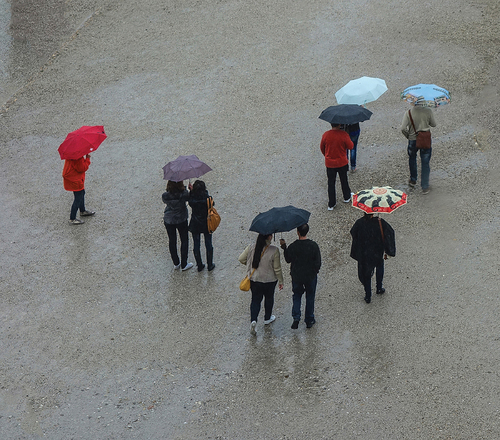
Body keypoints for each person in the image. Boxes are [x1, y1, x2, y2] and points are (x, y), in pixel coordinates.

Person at [239, 234, 284, 335]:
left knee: (255, 300)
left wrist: (250, 265)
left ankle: (253, 320)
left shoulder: (251, 247)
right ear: (269, 237)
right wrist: (281, 281)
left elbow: (241, 259)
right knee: (269, 298)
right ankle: (267, 318)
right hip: (270, 280)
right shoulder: (274, 250)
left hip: (255, 279)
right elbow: (277, 268)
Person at [280, 224, 321, 329]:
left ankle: (296, 317)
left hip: (297, 276)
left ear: (297, 232)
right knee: (310, 297)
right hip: (310, 276)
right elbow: (318, 263)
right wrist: (315, 271)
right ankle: (309, 319)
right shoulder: (313, 246)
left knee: (297, 295)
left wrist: (284, 247)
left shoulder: (293, 246)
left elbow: (288, 259)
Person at [350, 213, 396, 304]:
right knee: (379, 267)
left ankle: (368, 296)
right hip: (377, 252)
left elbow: (353, 233)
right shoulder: (379, 222)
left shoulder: (359, 223)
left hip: (365, 253)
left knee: (366, 274)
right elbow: (390, 232)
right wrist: (388, 250)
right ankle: (379, 287)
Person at [401, 104, 436, 194]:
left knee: (412, 158)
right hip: (425, 139)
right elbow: (433, 124)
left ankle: (413, 180)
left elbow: (403, 128)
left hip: (413, 140)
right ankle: (425, 187)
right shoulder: (428, 111)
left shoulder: (408, 113)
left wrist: (408, 136)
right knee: (425, 162)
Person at [320, 123, 354, 210]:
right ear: (339, 124)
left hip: (330, 163)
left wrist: (327, 156)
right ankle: (346, 196)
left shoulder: (326, 135)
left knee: (331, 183)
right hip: (342, 162)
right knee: (344, 180)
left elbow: (322, 148)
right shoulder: (343, 134)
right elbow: (350, 146)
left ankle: (331, 203)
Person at [162, 180, 193, 271]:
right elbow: (189, 198)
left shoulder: (165, 196)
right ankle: (184, 263)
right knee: (184, 240)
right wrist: (190, 189)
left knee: (172, 241)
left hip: (169, 219)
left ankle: (176, 263)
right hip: (181, 219)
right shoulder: (184, 194)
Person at [188, 180, 215, 272]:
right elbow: (212, 204)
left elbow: (190, 201)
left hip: (195, 223)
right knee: (208, 244)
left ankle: (199, 264)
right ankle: (210, 264)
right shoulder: (208, 199)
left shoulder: (192, 199)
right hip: (207, 223)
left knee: (196, 244)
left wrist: (191, 192)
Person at [62, 154, 95, 225]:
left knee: (81, 193)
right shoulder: (78, 158)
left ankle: (82, 210)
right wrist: (87, 159)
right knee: (78, 197)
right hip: (76, 180)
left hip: (72, 178)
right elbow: (82, 168)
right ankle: (72, 218)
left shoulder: (70, 155)